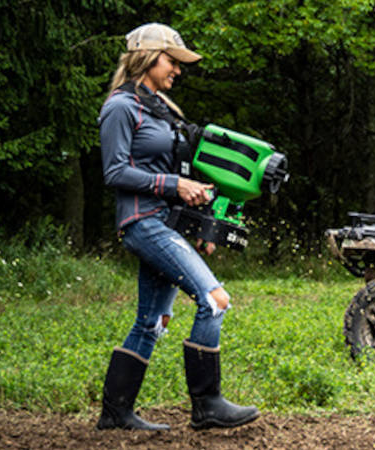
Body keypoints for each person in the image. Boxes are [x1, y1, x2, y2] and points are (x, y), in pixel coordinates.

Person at [95, 23, 258, 431]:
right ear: (146, 59)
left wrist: (203, 220)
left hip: (165, 221)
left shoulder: (160, 109)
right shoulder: (120, 108)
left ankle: (116, 414)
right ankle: (207, 404)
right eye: (172, 61)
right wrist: (175, 185)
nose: (178, 70)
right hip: (143, 222)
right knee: (215, 300)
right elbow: (115, 172)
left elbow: (172, 171)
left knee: (153, 322)